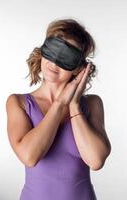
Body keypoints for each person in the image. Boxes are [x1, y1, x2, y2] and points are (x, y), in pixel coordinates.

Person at [6, 18, 111, 200]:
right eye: (53, 49)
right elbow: (30, 157)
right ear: (43, 51)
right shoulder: (19, 103)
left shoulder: (92, 104)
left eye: (66, 57)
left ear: (79, 68)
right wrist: (60, 104)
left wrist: (74, 105)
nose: (54, 61)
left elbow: (95, 161)